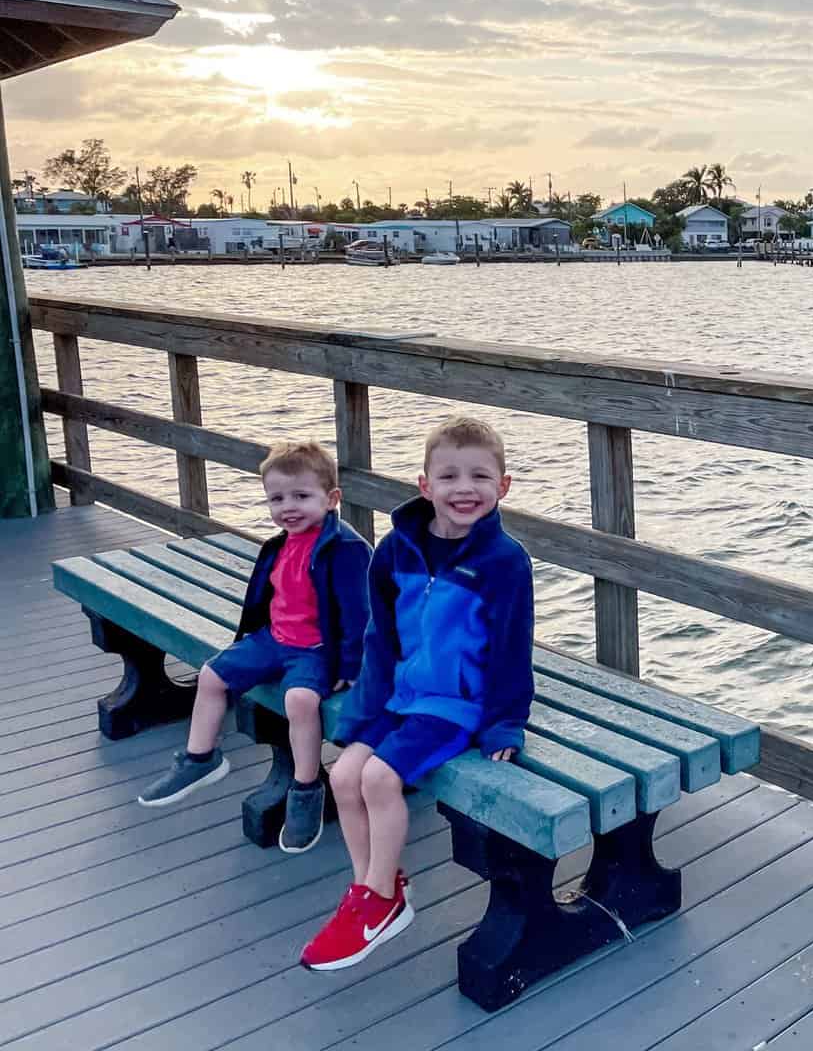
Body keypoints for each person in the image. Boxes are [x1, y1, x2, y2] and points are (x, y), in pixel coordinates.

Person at [301, 415, 534, 971]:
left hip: (455, 706)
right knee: (343, 774)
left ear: (502, 487)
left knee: (380, 779)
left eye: (480, 476)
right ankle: (369, 889)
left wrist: (504, 722)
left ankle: (382, 898)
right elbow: (379, 637)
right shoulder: (396, 550)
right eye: (449, 476)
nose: (464, 488)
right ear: (425, 486)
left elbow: (511, 648)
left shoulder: (503, 563)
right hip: (401, 696)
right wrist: (363, 712)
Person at [137, 440, 372, 858]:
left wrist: (352, 665)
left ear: (332, 498)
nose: (288, 507)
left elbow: (359, 613)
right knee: (211, 675)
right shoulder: (281, 543)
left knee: (299, 700)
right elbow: (269, 600)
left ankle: (305, 788)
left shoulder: (346, 549)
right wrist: (248, 641)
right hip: (274, 639)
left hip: (317, 650)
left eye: (301, 496)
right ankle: (200, 758)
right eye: (277, 498)